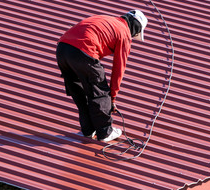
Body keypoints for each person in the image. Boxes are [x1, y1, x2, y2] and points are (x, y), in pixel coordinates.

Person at [56, 10, 148, 142]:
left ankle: (88, 130)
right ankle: (105, 131)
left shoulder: (107, 19)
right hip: (83, 51)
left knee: (80, 92)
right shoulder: (124, 33)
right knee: (101, 91)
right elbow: (119, 69)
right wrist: (112, 98)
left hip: (62, 50)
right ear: (136, 28)